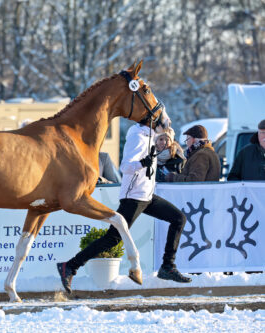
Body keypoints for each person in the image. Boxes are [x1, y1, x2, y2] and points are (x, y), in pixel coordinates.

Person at [57, 112, 191, 294]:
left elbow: (164, 144)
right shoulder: (137, 137)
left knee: (179, 219)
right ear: (152, 122)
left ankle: (168, 266)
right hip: (134, 196)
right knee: (112, 239)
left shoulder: (150, 136)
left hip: (147, 196)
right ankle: (70, 266)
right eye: (162, 121)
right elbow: (125, 167)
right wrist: (142, 163)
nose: (165, 124)